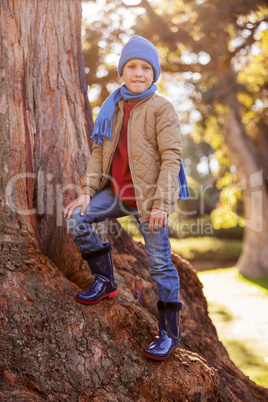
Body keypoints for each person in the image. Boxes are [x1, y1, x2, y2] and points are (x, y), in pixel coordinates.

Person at [64, 35, 190, 360]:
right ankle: (105, 281)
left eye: (146, 67)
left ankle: (169, 333)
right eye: (132, 66)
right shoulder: (112, 109)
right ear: (122, 72)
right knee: (77, 218)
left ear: (154, 74)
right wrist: (87, 193)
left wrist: (162, 203)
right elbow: (97, 152)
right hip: (117, 195)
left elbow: (172, 157)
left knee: (161, 266)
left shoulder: (162, 108)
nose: (138, 73)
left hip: (149, 201)